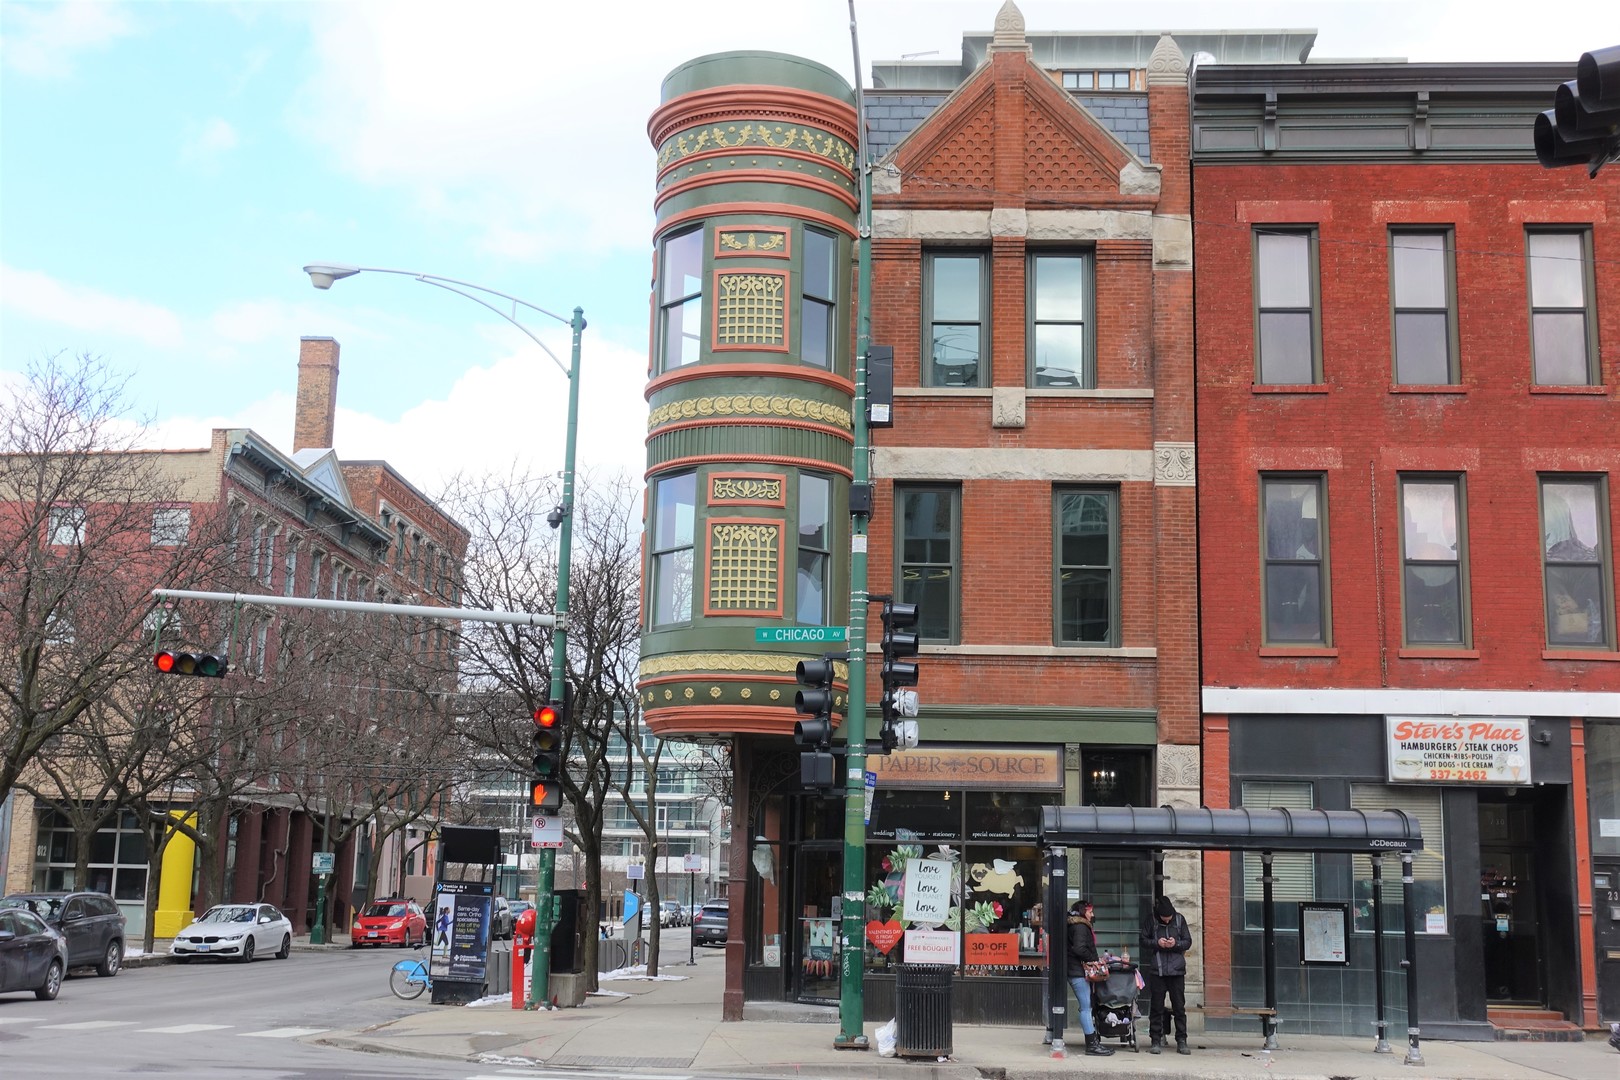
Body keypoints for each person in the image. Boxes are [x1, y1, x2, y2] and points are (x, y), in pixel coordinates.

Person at [1140, 894, 1193, 1055]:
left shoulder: (1179, 919)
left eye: (1169, 917)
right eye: (1165, 918)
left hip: (1177, 971)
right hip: (1158, 970)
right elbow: (1143, 940)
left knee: (1179, 1008)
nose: (1168, 920)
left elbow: (1188, 941)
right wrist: (1157, 943)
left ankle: (1182, 1040)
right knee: (1157, 1007)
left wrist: (1175, 944)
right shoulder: (1151, 920)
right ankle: (1155, 1040)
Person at [1065, 899, 1114, 1056]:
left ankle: (1093, 1042)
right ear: (1083, 912)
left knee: (1086, 1006)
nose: (1092, 915)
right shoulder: (1080, 926)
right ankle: (1092, 1045)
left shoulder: (1074, 925)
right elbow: (1079, 949)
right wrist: (1093, 960)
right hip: (1077, 971)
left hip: (1074, 969)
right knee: (1086, 1007)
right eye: (1090, 912)